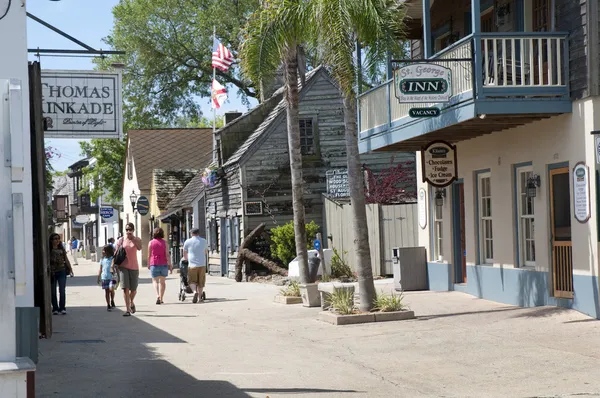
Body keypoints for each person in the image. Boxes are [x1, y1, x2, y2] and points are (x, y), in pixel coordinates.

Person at [116, 222, 142, 316]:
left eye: (130, 229)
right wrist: (113, 265)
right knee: (125, 288)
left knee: (133, 290)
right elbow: (116, 253)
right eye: (126, 229)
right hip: (123, 267)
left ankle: (131, 302)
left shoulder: (137, 239)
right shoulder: (121, 240)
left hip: (134, 267)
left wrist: (133, 239)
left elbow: (139, 248)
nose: (128, 231)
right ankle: (127, 309)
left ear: (133, 230)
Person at [49, 233, 73, 315]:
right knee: (53, 291)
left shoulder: (62, 249)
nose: (57, 240)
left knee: (62, 290)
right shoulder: (49, 249)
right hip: (52, 272)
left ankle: (62, 307)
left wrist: (70, 269)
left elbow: (66, 259)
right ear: (51, 240)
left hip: (61, 271)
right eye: (55, 239)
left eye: (58, 239)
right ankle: (55, 308)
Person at [183, 228, 208, 303]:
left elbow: (185, 253)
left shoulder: (188, 241)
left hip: (192, 264)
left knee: (192, 281)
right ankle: (199, 298)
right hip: (202, 264)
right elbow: (205, 251)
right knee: (201, 282)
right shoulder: (204, 241)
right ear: (198, 233)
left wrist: (186, 259)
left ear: (191, 233)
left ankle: (194, 292)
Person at [148, 227, 172, 305]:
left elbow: (149, 255)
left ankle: (157, 295)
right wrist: (170, 264)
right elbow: (167, 254)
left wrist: (148, 264)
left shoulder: (151, 243)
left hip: (154, 263)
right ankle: (161, 298)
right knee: (162, 282)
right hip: (163, 263)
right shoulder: (165, 243)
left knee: (155, 281)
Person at [97, 244, 117, 311]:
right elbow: (100, 268)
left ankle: (112, 300)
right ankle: (108, 304)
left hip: (112, 277)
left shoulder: (112, 258)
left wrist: (118, 275)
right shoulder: (102, 259)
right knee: (107, 291)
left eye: (104, 250)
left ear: (108, 251)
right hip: (104, 277)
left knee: (111, 289)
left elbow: (116, 267)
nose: (103, 252)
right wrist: (98, 277)